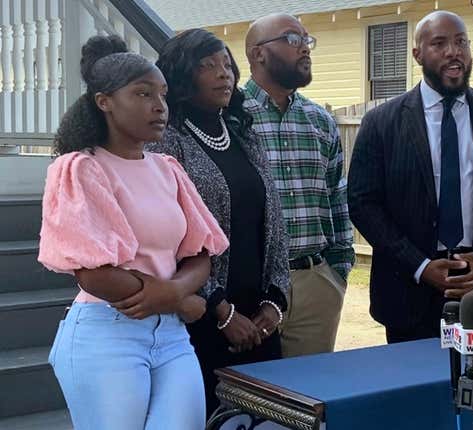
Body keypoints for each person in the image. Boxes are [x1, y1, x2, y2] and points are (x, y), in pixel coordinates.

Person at [38, 35, 229, 429]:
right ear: (104, 101)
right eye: (142, 94)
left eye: (162, 94)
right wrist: (178, 299)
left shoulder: (168, 169)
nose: (159, 106)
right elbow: (93, 272)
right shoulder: (80, 169)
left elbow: (200, 253)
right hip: (108, 333)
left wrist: (175, 295)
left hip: (171, 337)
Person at [347, 11, 473, 343]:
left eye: (461, 42)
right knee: (417, 391)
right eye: (439, 43)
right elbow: (364, 204)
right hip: (409, 291)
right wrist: (420, 266)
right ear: (417, 54)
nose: (454, 51)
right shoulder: (381, 123)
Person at [148, 28, 290, 418]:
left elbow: (273, 222)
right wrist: (222, 311)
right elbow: (170, 237)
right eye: (208, 65)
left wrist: (275, 302)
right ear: (180, 75)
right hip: (199, 321)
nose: (223, 73)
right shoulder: (166, 141)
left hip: (259, 322)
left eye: (227, 64)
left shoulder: (244, 134)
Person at [244, 13, 355, 357]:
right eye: (293, 39)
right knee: (248, 396)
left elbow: (337, 197)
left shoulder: (320, 121)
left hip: (315, 282)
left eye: (308, 41)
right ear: (258, 53)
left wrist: (338, 270)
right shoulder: (231, 117)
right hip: (251, 286)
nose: (305, 48)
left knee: (309, 398)